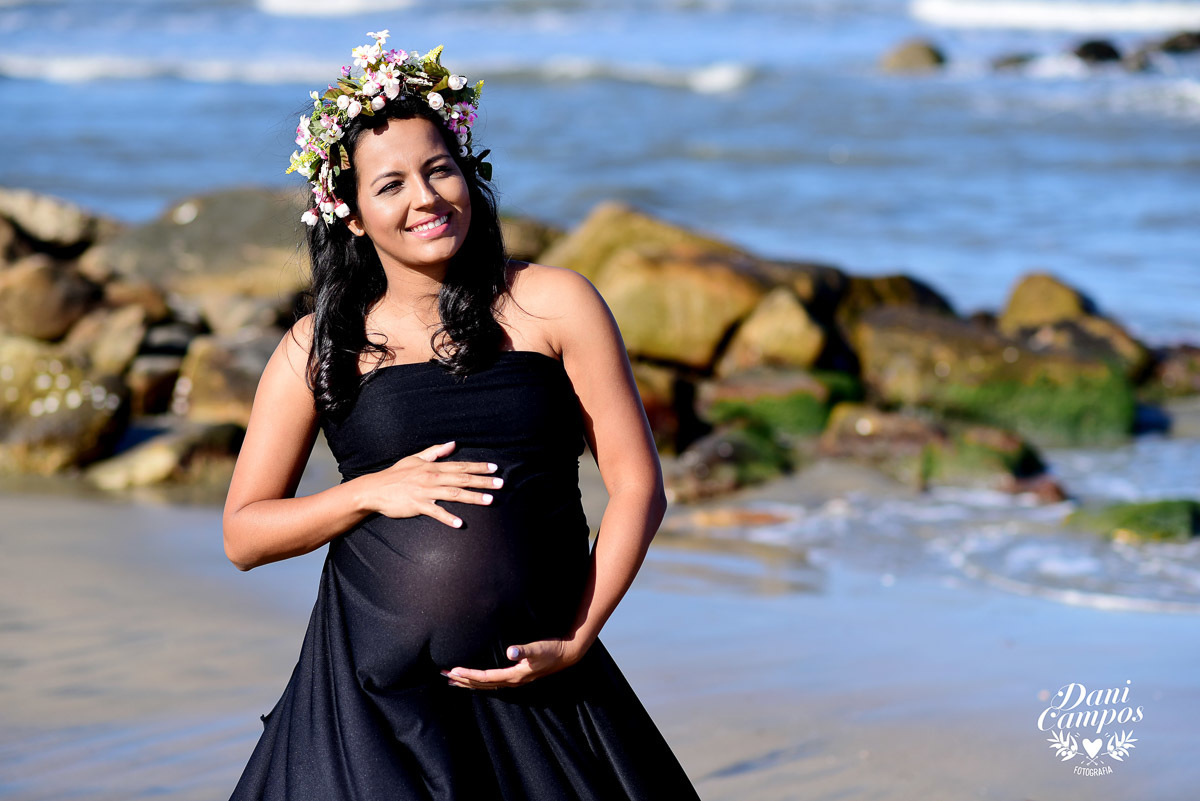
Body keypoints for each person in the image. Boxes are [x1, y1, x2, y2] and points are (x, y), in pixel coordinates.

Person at [223, 32, 703, 800]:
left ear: (468, 172)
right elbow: (244, 533)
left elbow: (638, 484)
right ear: (350, 215)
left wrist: (580, 635)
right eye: (391, 185)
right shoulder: (320, 346)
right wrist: (368, 492)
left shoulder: (553, 303)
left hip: (539, 688)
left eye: (438, 168)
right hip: (367, 707)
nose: (425, 198)